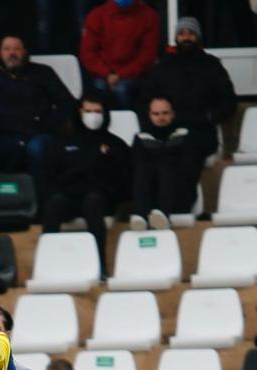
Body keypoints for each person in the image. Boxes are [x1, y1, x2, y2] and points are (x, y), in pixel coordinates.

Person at [40, 95, 131, 278]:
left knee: (93, 202)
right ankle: (47, 264)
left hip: (100, 196)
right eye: (88, 111)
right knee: (54, 205)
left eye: (97, 111)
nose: (93, 116)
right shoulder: (64, 141)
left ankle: (100, 267)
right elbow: (50, 174)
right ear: (79, 112)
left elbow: (124, 176)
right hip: (69, 194)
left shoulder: (114, 143)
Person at [0, 35, 75, 181]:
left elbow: (66, 102)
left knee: (36, 148)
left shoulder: (43, 73)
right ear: (0, 53)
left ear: (25, 52)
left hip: (38, 134)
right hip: (1, 137)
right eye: (7, 49)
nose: (12, 53)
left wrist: (49, 125)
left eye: (16, 48)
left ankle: (40, 200)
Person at [140, 17, 238, 166]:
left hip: (201, 131)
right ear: (176, 37)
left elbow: (228, 101)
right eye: (182, 33)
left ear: (198, 36)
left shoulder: (212, 65)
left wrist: (209, 116)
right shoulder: (164, 65)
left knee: (183, 153)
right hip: (167, 130)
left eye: (191, 33)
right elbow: (146, 98)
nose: (186, 37)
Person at [129, 96, 198, 231]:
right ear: (149, 115)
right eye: (156, 113)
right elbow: (136, 165)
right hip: (150, 196)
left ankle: (163, 214)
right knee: (143, 170)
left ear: (173, 114)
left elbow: (190, 168)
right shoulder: (141, 138)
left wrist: (160, 160)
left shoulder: (186, 136)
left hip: (180, 195)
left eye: (165, 113)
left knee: (166, 168)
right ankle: (142, 215)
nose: (161, 117)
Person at [79, 0, 160, 110]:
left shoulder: (149, 16)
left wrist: (120, 75)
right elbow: (88, 53)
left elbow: (147, 57)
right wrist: (107, 74)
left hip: (134, 76)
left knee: (123, 89)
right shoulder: (97, 15)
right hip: (101, 75)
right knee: (99, 87)